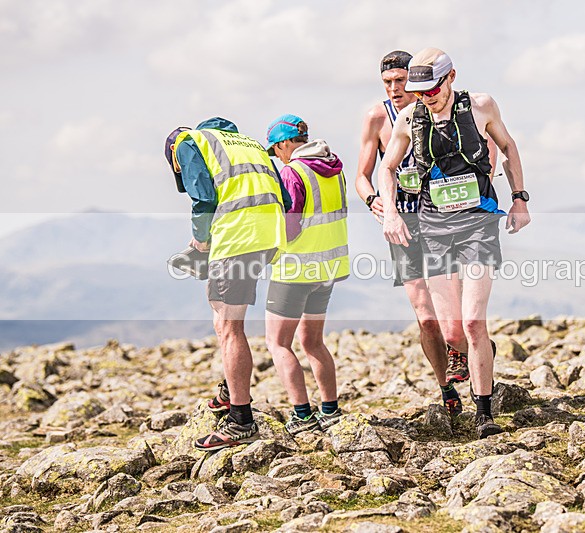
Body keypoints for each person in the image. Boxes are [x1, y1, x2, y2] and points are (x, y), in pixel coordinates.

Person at [379, 49, 531, 439]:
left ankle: (484, 413)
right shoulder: (411, 117)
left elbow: (509, 147)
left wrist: (519, 198)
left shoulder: (480, 105)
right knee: (451, 334)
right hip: (433, 227)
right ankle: (478, 365)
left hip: (477, 224)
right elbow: (387, 167)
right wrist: (393, 213)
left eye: (432, 89)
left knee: (473, 321)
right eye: (420, 91)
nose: (426, 97)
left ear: (450, 78)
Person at [356, 51, 473, 416]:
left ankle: (470, 358)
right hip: (402, 222)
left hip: (442, 218)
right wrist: (374, 200)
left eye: (401, 81)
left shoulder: (439, 108)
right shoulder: (377, 117)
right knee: (425, 315)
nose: (395, 89)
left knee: (455, 316)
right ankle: (446, 391)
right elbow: (362, 174)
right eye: (388, 83)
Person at [164, 117, 289, 451]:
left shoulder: (188, 143)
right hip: (268, 234)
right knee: (229, 322)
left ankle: (240, 420)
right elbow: (285, 200)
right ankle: (229, 390)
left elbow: (204, 199)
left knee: (228, 327)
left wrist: (200, 245)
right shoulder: (247, 145)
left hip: (238, 237)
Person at [263, 114, 349, 435]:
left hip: (295, 268)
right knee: (313, 341)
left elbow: (291, 224)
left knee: (278, 343)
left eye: (275, 150)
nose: (277, 156)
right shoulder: (333, 170)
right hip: (327, 267)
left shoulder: (293, 172)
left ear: (285, 143)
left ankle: (302, 416)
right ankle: (330, 410)